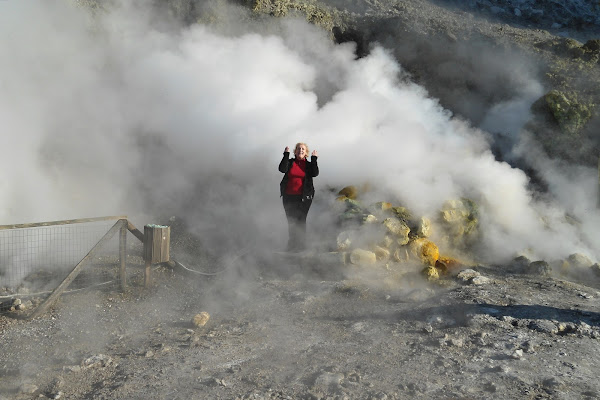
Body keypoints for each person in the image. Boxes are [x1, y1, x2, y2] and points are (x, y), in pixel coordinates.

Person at [279, 143, 319, 252]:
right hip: (288, 196)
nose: (300, 150)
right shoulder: (290, 162)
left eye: (303, 149)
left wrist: (314, 159)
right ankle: (292, 245)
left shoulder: (309, 164)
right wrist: (286, 155)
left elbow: (315, 173)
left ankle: (301, 246)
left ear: (306, 152)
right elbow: (282, 169)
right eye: (298, 149)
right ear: (295, 151)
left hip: (304, 197)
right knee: (291, 221)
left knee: (300, 221)